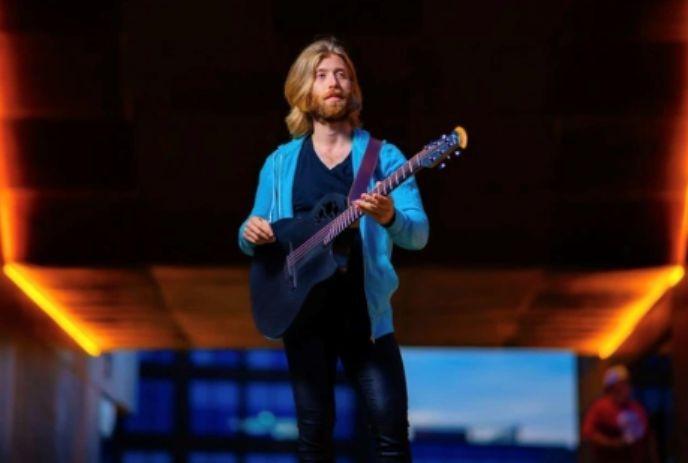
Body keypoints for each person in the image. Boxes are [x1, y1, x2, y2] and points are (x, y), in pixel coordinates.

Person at [238, 37, 429, 462]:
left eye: (342, 74)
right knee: (313, 440)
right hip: (303, 316)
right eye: (321, 75)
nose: (333, 83)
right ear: (304, 90)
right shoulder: (280, 163)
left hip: (367, 321)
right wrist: (249, 233)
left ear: (353, 88)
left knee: (392, 438)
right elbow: (251, 234)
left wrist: (388, 217)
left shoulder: (385, 157)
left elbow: (418, 234)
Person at [581, 364, 659, 463]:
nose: (626, 387)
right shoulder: (600, 408)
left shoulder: (636, 408)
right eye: (621, 384)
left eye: (627, 383)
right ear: (611, 387)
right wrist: (612, 444)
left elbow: (648, 437)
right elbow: (589, 433)